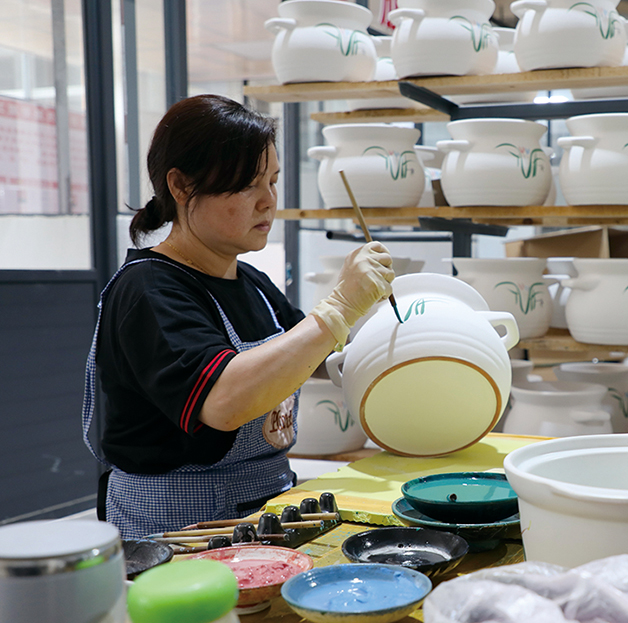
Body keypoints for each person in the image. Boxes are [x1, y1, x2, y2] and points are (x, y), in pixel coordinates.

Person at [82, 94, 394, 539]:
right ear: (181, 186)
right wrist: (340, 305)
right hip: (178, 530)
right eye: (248, 184)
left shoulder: (252, 283)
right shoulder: (148, 290)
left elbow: (318, 359)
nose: (268, 201)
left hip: (265, 506)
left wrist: (405, 350)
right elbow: (223, 402)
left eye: (273, 181)